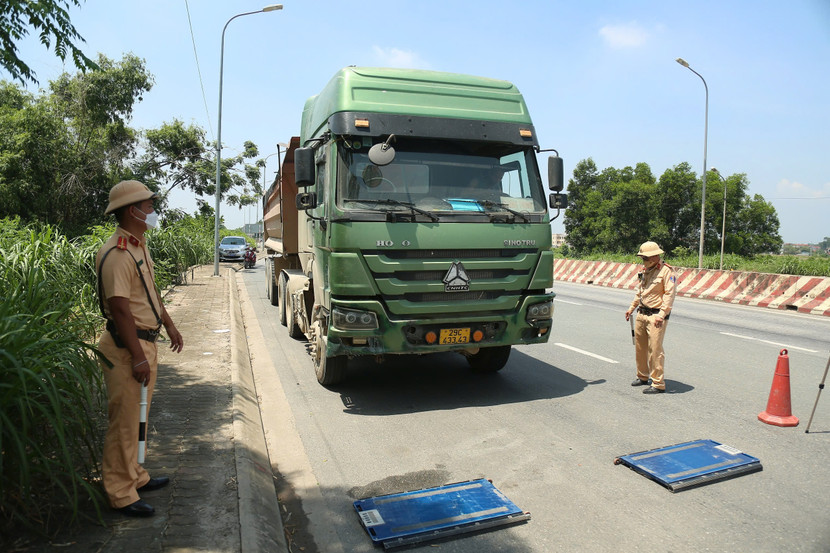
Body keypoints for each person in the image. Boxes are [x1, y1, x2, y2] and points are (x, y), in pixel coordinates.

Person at [96, 180, 184, 517]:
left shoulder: (137, 246)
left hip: (144, 343)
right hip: (126, 349)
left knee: (137, 419)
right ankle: (120, 493)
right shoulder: (118, 253)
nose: (153, 211)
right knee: (124, 423)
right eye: (149, 206)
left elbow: (150, 292)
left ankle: (135, 476)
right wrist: (136, 357)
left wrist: (169, 325)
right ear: (133, 211)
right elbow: (120, 310)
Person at [624, 241, 677, 394]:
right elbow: (640, 291)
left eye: (645, 258)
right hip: (642, 313)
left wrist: (662, 314)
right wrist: (631, 308)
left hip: (656, 316)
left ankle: (658, 383)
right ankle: (642, 376)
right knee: (640, 348)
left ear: (654, 257)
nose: (643, 260)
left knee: (655, 350)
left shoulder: (667, 272)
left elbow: (669, 295)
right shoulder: (645, 270)